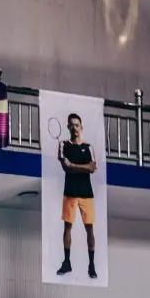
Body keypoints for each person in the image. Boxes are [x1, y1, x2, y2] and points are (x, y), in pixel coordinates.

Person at [55, 114, 98, 279]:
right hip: (70, 192)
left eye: (77, 125)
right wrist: (81, 167)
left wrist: (73, 165)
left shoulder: (88, 147)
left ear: (81, 127)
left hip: (87, 193)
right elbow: (66, 167)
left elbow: (92, 168)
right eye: (72, 125)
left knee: (89, 229)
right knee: (67, 227)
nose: (75, 128)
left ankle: (91, 265)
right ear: (68, 127)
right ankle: (67, 262)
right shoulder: (63, 145)